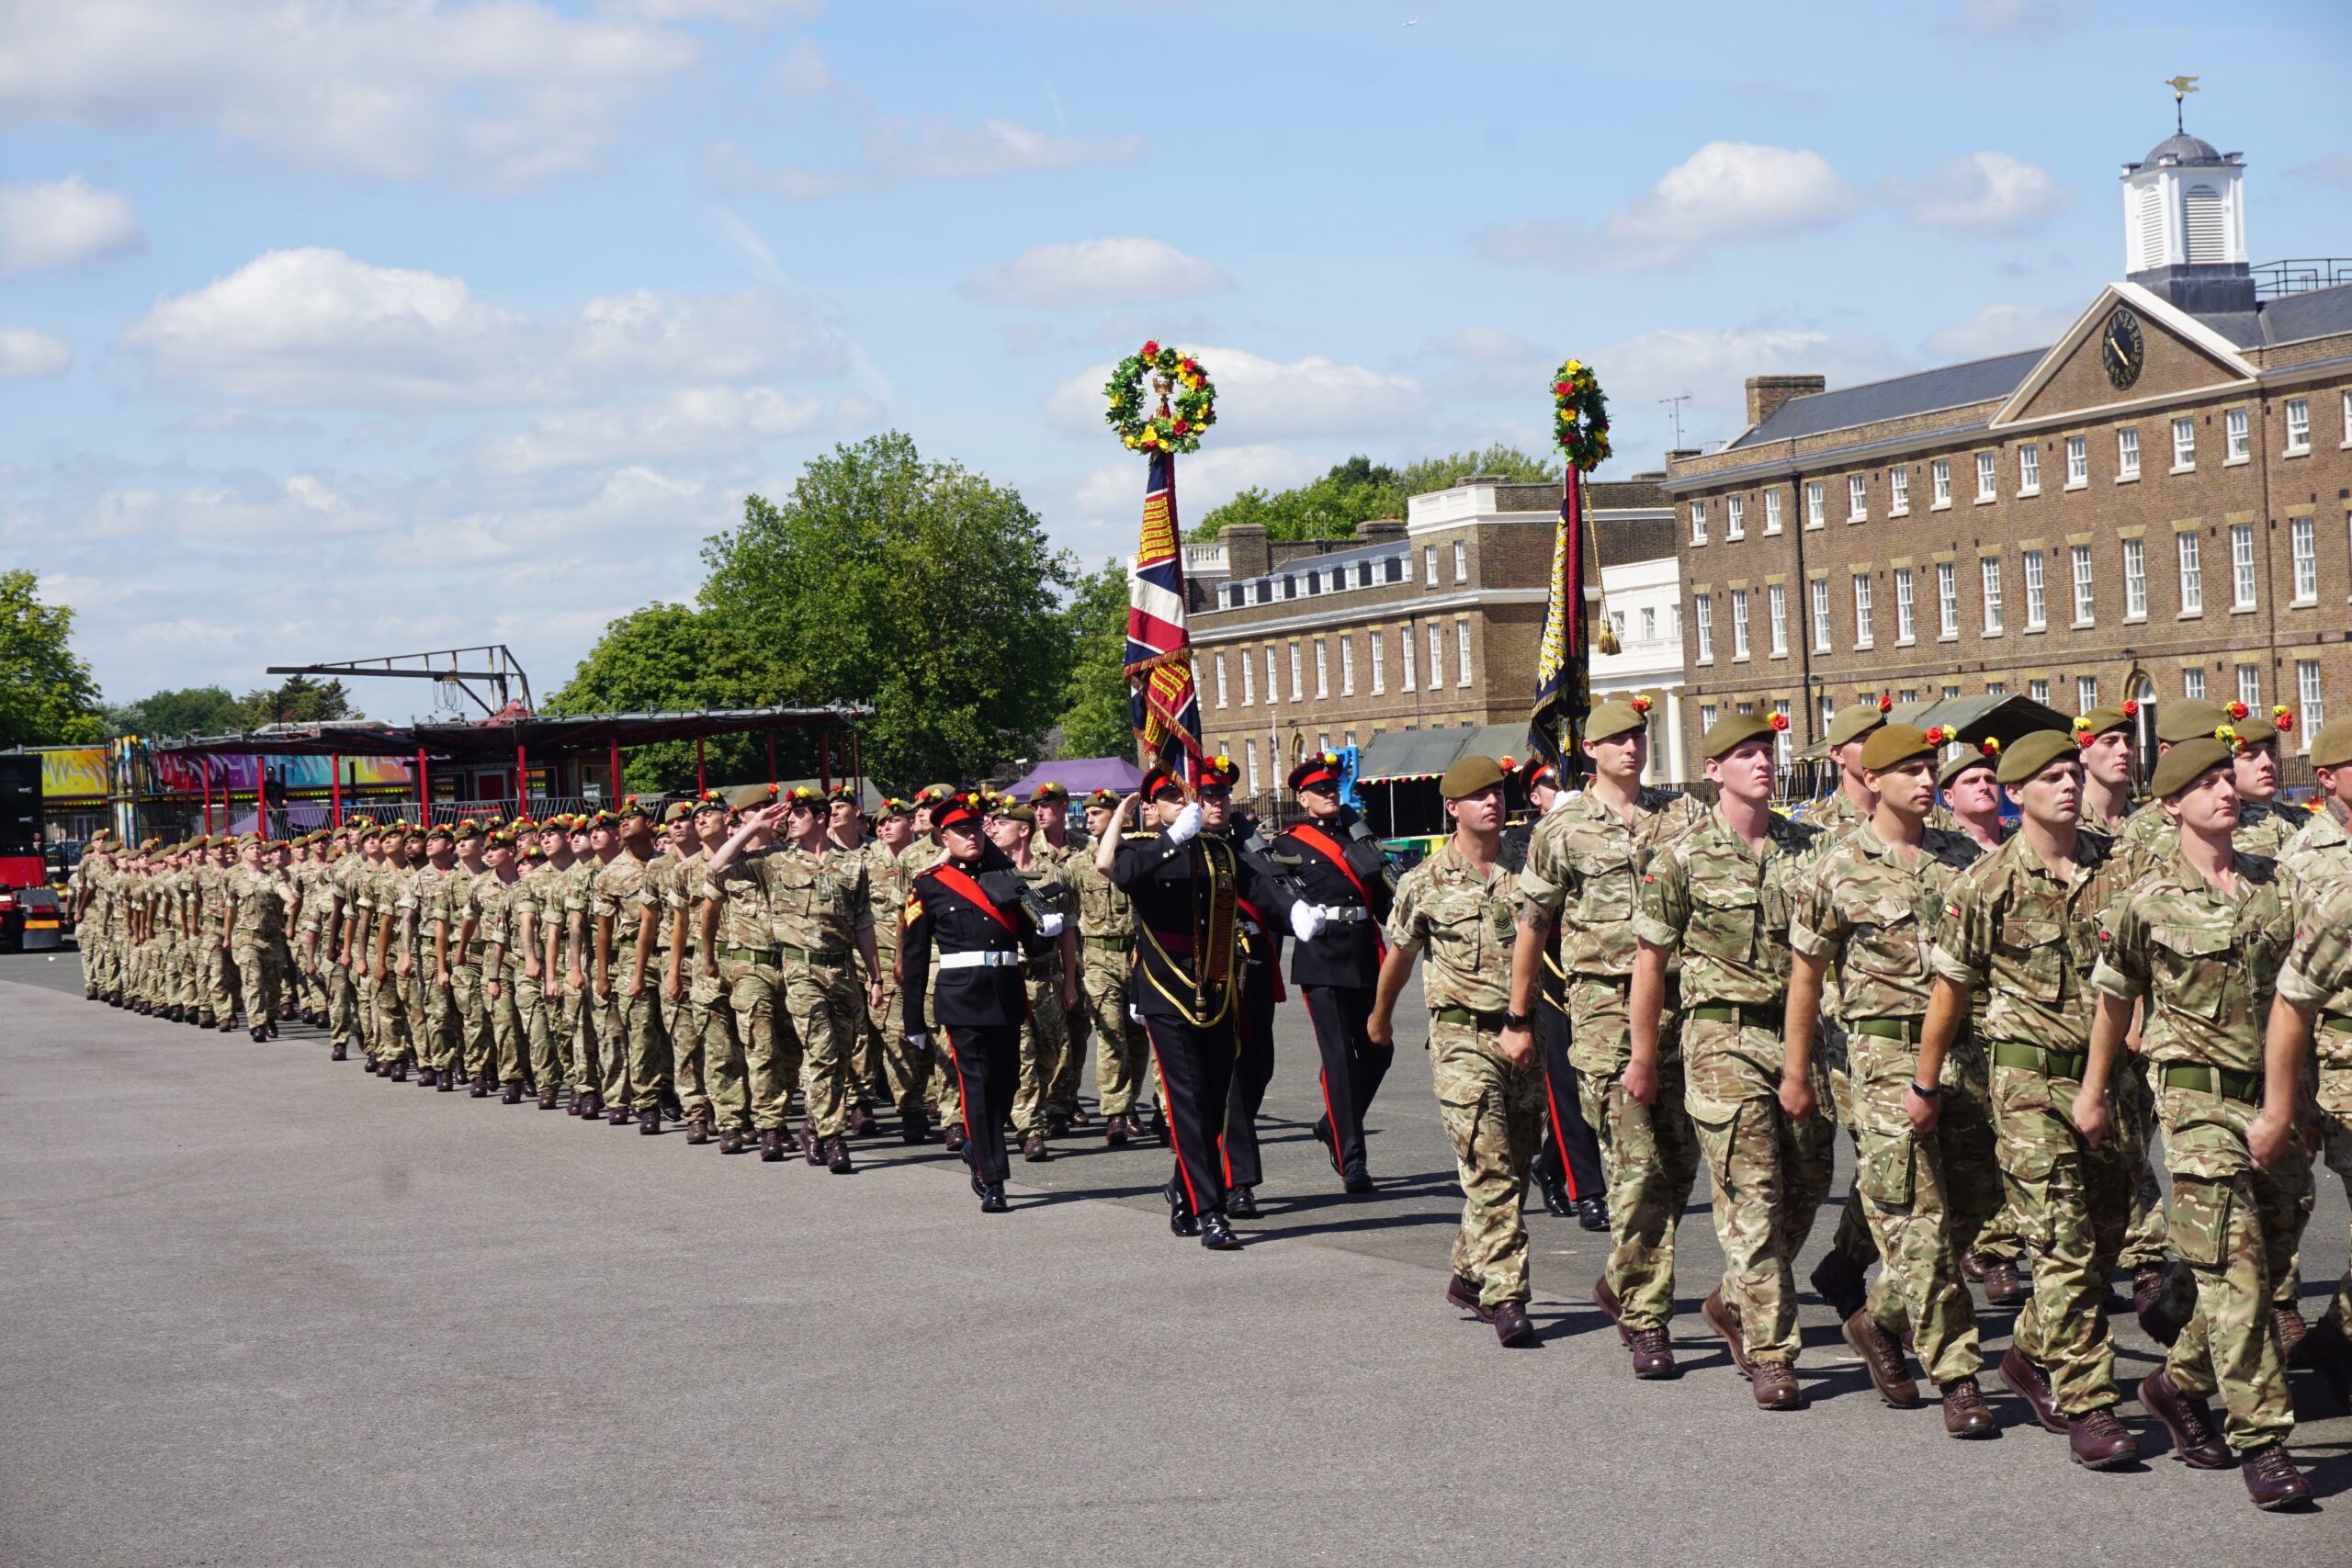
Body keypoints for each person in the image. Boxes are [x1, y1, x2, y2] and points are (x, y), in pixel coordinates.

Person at [2085, 738, 2312, 1511]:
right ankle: (2265, 1441)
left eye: (2227, 779)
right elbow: (2113, 1002)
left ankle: (2175, 1379)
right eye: (2205, 783)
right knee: (2241, 1271)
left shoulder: (2273, 887)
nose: (2224, 791)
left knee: (2270, 1246)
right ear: (2170, 804)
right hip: (2194, 1102)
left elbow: (2298, 1002)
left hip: (2272, 1098)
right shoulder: (2145, 901)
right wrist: (2092, 1094)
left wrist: (2297, 1104)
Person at [1929, 728, 2146, 1468]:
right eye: (2048, 776)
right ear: (2016, 795)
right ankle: (2091, 1403)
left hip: (2111, 1081)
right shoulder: (1985, 884)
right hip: (2027, 1084)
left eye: (2068, 772)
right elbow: (1950, 993)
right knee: (2061, 1242)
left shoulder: (2117, 871)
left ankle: (2027, 1351)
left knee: (2107, 1239)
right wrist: (1927, 1084)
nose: (2065, 785)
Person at [1781, 723, 1996, 1438]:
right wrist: (1797, 1071)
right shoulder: (1836, 867)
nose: (1926, 778)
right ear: (1872, 779)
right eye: (1909, 768)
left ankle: (1880, 1317)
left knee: (1975, 1203)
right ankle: (1959, 1375)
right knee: (1918, 1222)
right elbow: (1806, 979)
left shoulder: (1960, 858)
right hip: (1881, 1060)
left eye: (1930, 765)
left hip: (1965, 1055)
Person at [1633, 711, 1832, 1410]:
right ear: (1714, 769)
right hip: (1720, 1039)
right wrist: (1643, 1057)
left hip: (1800, 1038)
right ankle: (1772, 1351)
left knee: (1810, 1178)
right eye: (1746, 754)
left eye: (1768, 752)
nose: (1763, 764)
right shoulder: (1682, 857)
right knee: (1753, 1196)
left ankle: (1731, 1299)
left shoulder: (1808, 849)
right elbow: (1650, 960)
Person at [1506, 697, 1701, 1378]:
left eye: (1638, 737)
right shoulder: (1564, 829)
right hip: (1604, 1010)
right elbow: (1533, 923)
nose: (1631, 748)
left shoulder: (1680, 816)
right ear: (1589, 749)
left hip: (1680, 1007)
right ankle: (1647, 1318)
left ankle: (1623, 1277)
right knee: (1635, 1167)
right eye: (1616, 739)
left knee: (1679, 1165)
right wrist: (1517, 1015)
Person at [1373, 754, 1540, 1347]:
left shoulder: (1532, 863)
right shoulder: (1423, 881)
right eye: (1479, 796)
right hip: (1462, 1038)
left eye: (1498, 792)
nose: (1493, 803)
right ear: (1453, 808)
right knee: (1488, 1165)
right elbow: (1399, 954)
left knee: (1517, 1166)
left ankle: (1469, 1274)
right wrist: (1380, 1017)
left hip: (1527, 1034)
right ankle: (1507, 1294)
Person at [1101, 763, 1294, 1250]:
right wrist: (1173, 838)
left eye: (1216, 796)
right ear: (1153, 806)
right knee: (1186, 1101)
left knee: (1213, 1102)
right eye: (1181, 796)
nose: (1208, 803)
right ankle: (1211, 1212)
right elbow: (1122, 874)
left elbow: (1260, 888)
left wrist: (1297, 913)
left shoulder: (1223, 852)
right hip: (1167, 992)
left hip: (1218, 987)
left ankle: (1184, 1190)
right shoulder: (1143, 847)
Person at [901, 791, 1060, 1214]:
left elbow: (1034, 945)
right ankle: (994, 1179)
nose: (971, 836)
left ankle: (977, 1143)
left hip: (1006, 990)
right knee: (977, 1086)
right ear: (943, 837)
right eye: (960, 830)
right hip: (961, 996)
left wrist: (1048, 930)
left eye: (975, 828)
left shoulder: (1006, 878)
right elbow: (914, 957)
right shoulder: (929, 884)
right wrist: (912, 1017)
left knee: (1006, 1084)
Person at [2268, 718, 2352, 1407]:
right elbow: (2285, 986)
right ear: (2326, 778)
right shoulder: (2302, 858)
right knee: (2278, 1215)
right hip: (2333, 1061)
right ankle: (2188, 1335)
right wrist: (2291, 1092)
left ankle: (2335, 1342)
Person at [1268, 750, 1396, 1195]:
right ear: (1302, 799)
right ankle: (1353, 1159)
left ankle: (1332, 1123)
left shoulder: (1358, 838)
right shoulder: (1285, 845)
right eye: (1319, 790)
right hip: (1322, 958)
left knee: (1379, 1050)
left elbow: (1384, 901)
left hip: (1364, 952)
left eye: (1332, 787)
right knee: (1339, 1058)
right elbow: (1277, 906)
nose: (1329, 794)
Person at [1199, 755, 1283, 1217]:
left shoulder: (1248, 844)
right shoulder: (1179, 845)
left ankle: (1193, 1175)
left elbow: (1274, 894)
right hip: (1208, 976)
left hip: (1253, 972)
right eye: (1209, 795)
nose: (1218, 802)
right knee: (1228, 1079)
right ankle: (1238, 1182)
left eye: (1223, 794)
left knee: (1258, 1070)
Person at [987, 797, 1079, 1160]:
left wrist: (1070, 982)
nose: (994, 830)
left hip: (1048, 978)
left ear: (1024, 830)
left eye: (1003, 824)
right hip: (1012, 978)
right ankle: (1030, 1129)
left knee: (1049, 1055)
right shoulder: (991, 877)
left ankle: (1024, 1111)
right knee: (1022, 1054)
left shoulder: (1054, 875)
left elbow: (1069, 932)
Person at [1067, 788, 1149, 1144]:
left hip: (1137, 955)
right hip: (1099, 958)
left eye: (1099, 813)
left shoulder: (1139, 855)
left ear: (1121, 817)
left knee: (1138, 1038)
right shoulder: (1077, 863)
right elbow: (1069, 919)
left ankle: (1130, 1103)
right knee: (1110, 1033)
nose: (1090, 819)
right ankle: (1115, 1112)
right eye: (1089, 814)